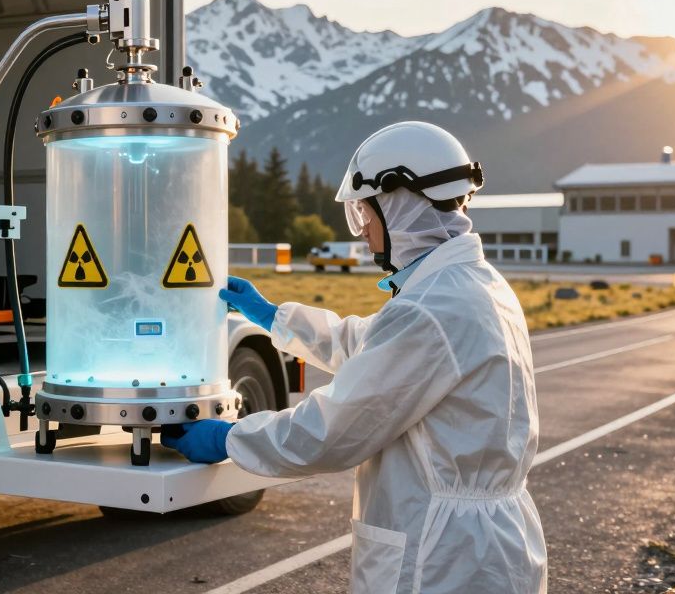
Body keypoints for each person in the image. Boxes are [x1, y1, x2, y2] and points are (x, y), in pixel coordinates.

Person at [162, 121, 547, 593]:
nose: (363, 231)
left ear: (399, 203)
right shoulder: (475, 286)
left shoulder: (432, 309)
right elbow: (371, 346)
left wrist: (230, 439)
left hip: (444, 556)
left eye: (365, 212)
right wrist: (274, 317)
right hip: (486, 543)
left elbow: (331, 431)